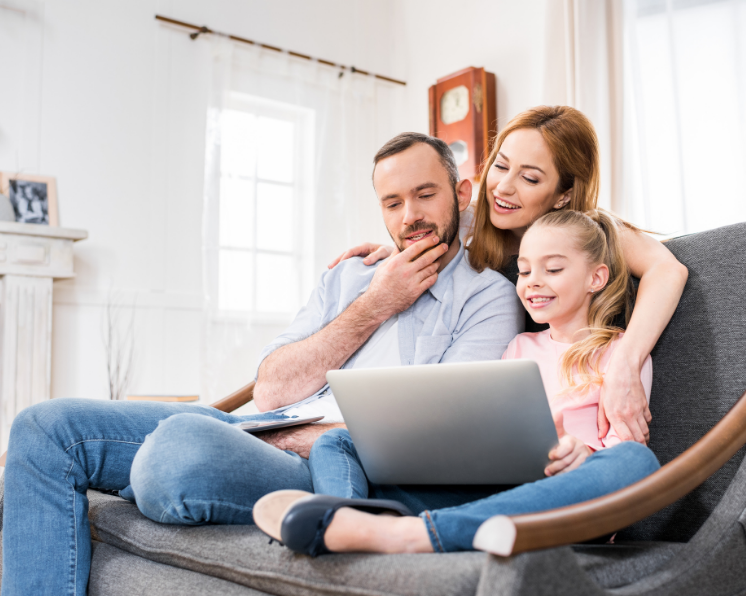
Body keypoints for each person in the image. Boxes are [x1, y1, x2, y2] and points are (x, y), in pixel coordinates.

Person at [0, 133, 522, 596]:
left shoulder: (487, 297)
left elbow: (437, 436)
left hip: (330, 464)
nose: (409, 216)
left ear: (461, 194)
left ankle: (153, 471)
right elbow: (270, 390)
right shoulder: (351, 279)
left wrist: (295, 438)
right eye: (392, 202)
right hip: (261, 428)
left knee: (176, 450)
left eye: (425, 194)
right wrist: (375, 305)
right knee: (44, 428)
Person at [253, 208, 660, 555]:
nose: (533, 281)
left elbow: (624, 451)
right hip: (489, 494)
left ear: (596, 277)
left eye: (552, 269)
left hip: (565, 504)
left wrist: (582, 455)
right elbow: (487, 424)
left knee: (638, 463)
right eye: (523, 270)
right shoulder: (519, 344)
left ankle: (403, 533)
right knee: (337, 440)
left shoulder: (623, 354)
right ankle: (351, 520)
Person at [328, 106, 688, 446]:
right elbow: (425, 223)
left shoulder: (588, 232)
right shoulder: (475, 217)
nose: (503, 187)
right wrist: (396, 250)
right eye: (501, 166)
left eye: (530, 177)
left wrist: (626, 363)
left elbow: (668, 269)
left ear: (563, 195)